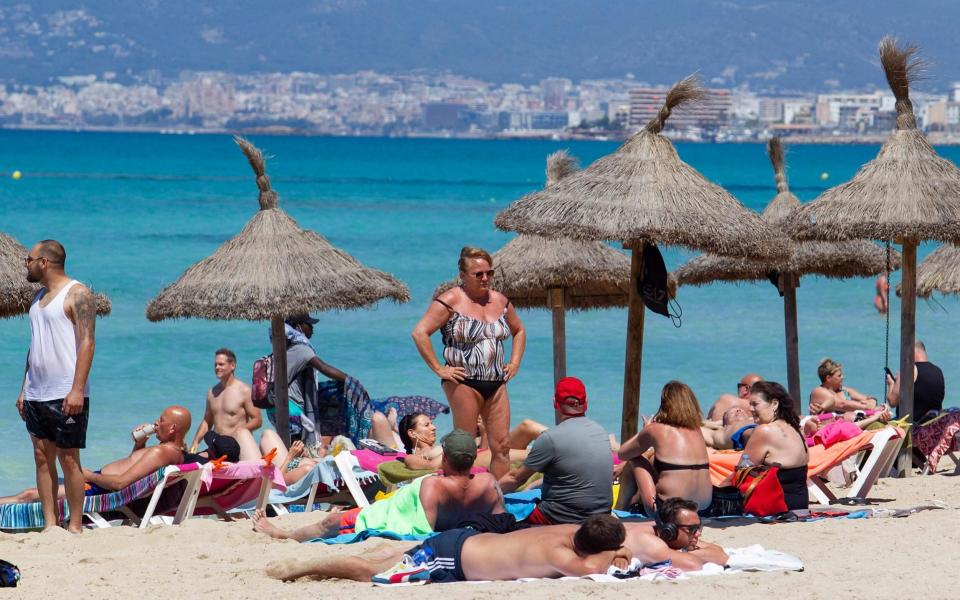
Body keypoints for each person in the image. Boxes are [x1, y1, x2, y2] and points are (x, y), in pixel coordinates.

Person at [252, 429, 503, 541]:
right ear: (471, 460)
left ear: (445, 458)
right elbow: (502, 521)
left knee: (329, 523)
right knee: (335, 519)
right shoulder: (488, 483)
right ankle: (282, 532)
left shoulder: (433, 485)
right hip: (406, 511)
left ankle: (281, 533)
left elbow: (417, 530)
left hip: (382, 514)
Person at [411, 246, 526, 479]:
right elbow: (420, 333)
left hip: (496, 381)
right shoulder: (450, 300)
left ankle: (497, 497)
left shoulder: (500, 301)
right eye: (478, 274)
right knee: (463, 447)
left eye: (489, 273)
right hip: (464, 382)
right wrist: (439, 368)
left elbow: (519, 330)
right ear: (463, 276)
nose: (485, 278)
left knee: (502, 445)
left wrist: (514, 362)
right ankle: (459, 493)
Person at [265, 514, 631, 584]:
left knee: (379, 559)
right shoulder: (562, 557)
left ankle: (309, 564)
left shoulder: (569, 532)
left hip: (458, 543)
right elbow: (594, 570)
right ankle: (304, 567)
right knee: (373, 572)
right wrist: (617, 554)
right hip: (450, 557)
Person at [15, 240, 98, 533]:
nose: (26, 264)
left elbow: (87, 343)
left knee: (69, 459)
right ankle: (50, 524)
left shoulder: (79, 294)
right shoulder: (37, 298)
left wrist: (77, 389)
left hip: (66, 392)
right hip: (37, 391)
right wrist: (25, 387)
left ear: (44, 262)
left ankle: (75, 525)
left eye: (29, 259)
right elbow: (34, 347)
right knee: (41, 457)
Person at [0, 406, 191, 504]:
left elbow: (120, 484)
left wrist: (88, 475)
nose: (156, 423)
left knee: (30, 494)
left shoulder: (161, 451)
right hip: (98, 481)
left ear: (173, 428)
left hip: (99, 487)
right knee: (45, 485)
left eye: (162, 420)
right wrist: (140, 443)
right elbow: (133, 465)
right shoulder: (170, 451)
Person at [498, 377, 614, 525]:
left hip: (560, 517)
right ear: (586, 403)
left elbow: (516, 478)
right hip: (602, 514)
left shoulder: (550, 438)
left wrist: (490, 493)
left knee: (501, 508)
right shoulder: (601, 432)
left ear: (555, 403)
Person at [615, 381, 713, 516]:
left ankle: (619, 511)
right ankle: (627, 506)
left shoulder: (656, 430)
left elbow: (623, 453)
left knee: (635, 459)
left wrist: (645, 430)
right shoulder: (697, 430)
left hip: (667, 511)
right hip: (702, 509)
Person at [743, 381, 808, 511]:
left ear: (774, 404)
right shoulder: (795, 428)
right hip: (801, 503)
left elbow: (742, 472)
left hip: (776, 505)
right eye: (749, 404)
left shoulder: (765, 431)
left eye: (755, 404)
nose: (750, 409)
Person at [189, 348, 261, 462]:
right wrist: (195, 442)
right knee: (189, 459)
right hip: (216, 447)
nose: (217, 367)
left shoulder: (245, 391)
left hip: (236, 447)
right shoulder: (212, 392)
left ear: (232, 365)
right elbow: (207, 421)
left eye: (221, 364)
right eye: (215, 365)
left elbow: (257, 421)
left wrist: (239, 432)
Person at [398, 412, 534, 471]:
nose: (434, 427)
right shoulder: (412, 457)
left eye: (432, 423)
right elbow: (432, 467)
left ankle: (555, 439)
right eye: (427, 425)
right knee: (533, 454)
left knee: (526, 426)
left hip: (482, 453)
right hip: (474, 458)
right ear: (412, 433)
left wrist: (484, 431)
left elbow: (482, 449)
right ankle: (554, 449)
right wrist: (453, 446)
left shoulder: (441, 446)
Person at [623, 498, 729, 571]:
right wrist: (680, 554)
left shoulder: (675, 534)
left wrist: (678, 553)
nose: (698, 533)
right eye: (692, 529)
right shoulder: (647, 540)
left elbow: (720, 555)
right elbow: (692, 564)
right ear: (669, 530)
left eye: (699, 527)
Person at [886, 340, 945, 423]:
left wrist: (891, 384)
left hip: (912, 425)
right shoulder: (938, 371)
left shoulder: (909, 369)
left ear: (911, 352)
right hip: (933, 422)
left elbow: (892, 401)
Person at [809, 358, 877, 414]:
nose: (842, 377)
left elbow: (868, 399)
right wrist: (866, 407)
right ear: (828, 378)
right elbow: (842, 405)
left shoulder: (845, 391)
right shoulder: (818, 391)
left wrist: (872, 402)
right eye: (839, 376)